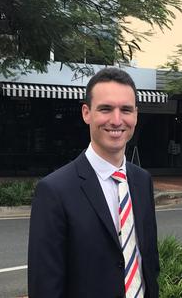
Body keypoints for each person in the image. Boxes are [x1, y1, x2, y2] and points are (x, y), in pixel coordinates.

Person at [28, 68, 159, 298]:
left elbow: (148, 261)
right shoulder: (54, 191)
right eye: (106, 109)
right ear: (87, 113)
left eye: (126, 110)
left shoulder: (142, 180)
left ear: (136, 115)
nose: (117, 120)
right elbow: (45, 286)